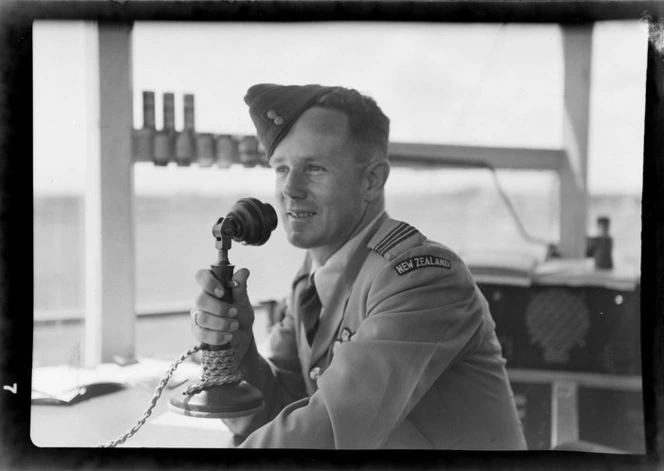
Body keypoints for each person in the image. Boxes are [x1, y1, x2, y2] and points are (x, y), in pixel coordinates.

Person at [190, 83, 527, 449]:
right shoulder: (310, 281)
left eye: (314, 168)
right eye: (281, 168)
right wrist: (236, 351)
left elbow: (333, 430)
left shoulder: (422, 279)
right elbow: (273, 411)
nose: (290, 188)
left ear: (372, 180)